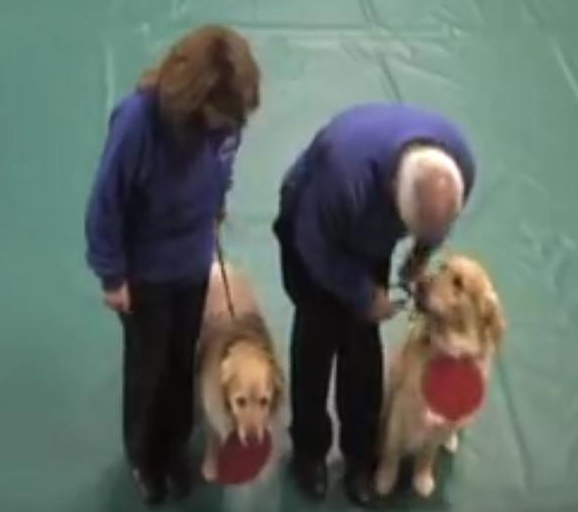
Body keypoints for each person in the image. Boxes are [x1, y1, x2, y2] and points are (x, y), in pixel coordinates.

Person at [85, 25, 260, 506]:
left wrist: (217, 204)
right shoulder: (137, 125)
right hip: (144, 275)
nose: (230, 127)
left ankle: (176, 444)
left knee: (184, 359)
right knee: (149, 365)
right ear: (192, 99)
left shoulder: (226, 124)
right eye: (222, 116)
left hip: (191, 262)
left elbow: (222, 164)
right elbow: (106, 203)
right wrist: (112, 274)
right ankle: (145, 456)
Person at [273, 103, 476, 505]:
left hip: (369, 233)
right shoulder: (340, 177)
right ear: (394, 195)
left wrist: (419, 256)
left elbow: (436, 222)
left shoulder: (458, 165)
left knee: (361, 344)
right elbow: (315, 247)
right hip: (312, 230)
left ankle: (360, 455)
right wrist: (363, 295)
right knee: (316, 341)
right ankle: (309, 454)